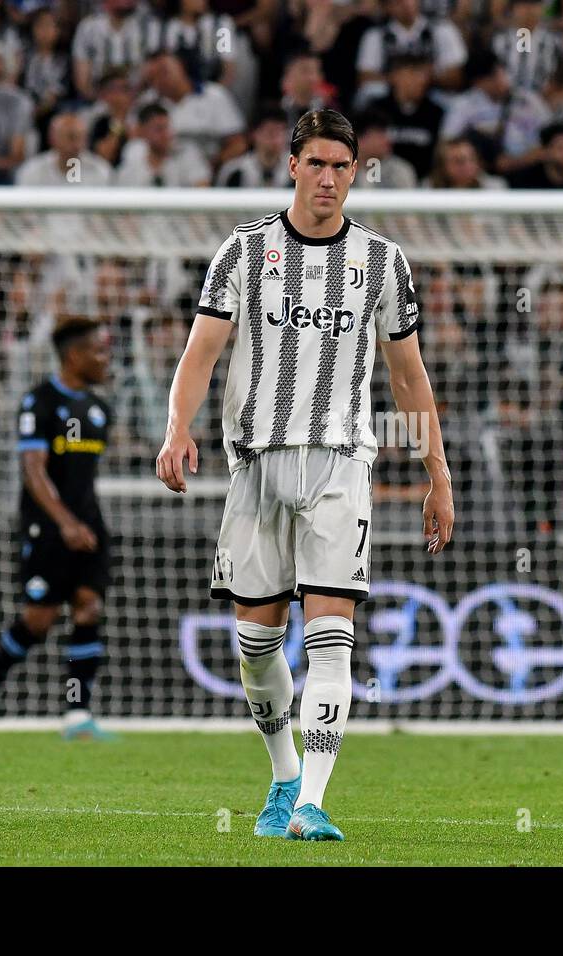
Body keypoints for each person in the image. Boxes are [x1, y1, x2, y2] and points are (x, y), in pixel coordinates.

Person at [155, 109, 454, 842]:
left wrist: (436, 474)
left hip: (340, 463)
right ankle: (284, 773)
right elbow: (201, 353)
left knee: (331, 634)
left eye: (341, 166)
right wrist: (175, 427)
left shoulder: (383, 262)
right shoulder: (244, 251)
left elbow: (407, 375)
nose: (328, 179)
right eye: (316, 163)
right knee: (257, 648)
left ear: (356, 171)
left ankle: (315, 802)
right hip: (255, 464)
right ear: (292, 164)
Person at [0, 317, 116, 741]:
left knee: (89, 607)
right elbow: (33, 472)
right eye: (98, 351)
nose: (105, 359)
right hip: (48, 529)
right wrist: (65, 522)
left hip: (89, 525)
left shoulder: (99, 409)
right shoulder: (39, 402)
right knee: (39, 620)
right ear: (74, 355)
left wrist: (83, 521)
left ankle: (77, 714)